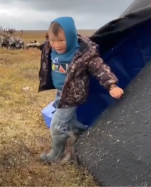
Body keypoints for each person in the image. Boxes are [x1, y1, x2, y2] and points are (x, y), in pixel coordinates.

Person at [38, 16, 124, 163]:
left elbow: (100, 69)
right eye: (53, 40)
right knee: (70, 123)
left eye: (61, 40)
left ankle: (55, 156)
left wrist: (112, 85)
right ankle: (86, 136)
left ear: (71, 37)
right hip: (60, 93)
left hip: (73, 95)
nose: (56, 45)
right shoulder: (50, 47)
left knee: (57, 126)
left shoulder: (84, 54)